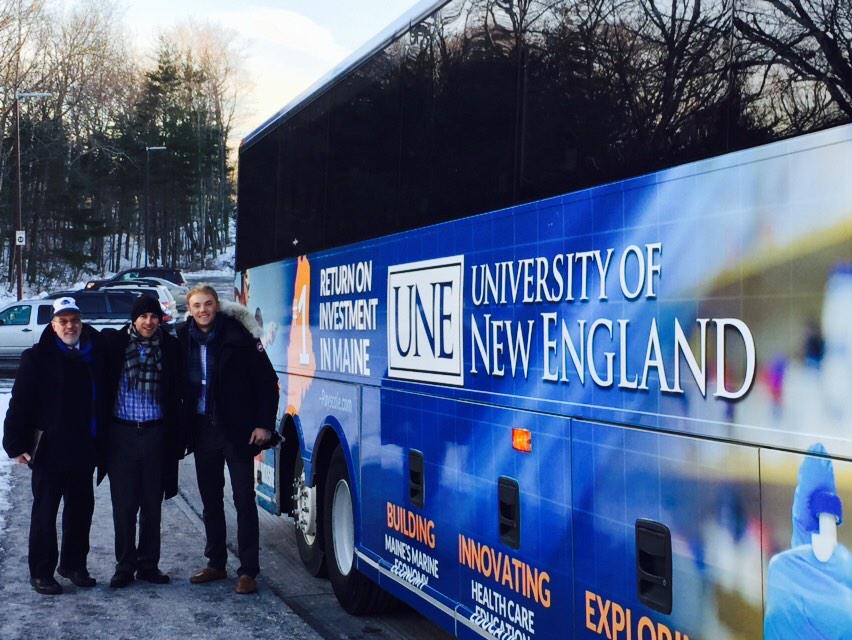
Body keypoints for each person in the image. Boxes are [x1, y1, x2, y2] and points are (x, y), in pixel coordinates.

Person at [2, 297, 107, 595]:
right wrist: (14, 443)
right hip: (50, 450)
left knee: (80, 510)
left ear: (81, 322)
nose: (69, 326)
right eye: (63, 321)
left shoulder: (93, 354)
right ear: (53, 325)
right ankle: (41, 572)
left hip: (84, 448)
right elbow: (20, 404)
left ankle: (73, 565)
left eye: (74, 320)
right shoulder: (37, 358)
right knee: (45, 513)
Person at [179, 284, 278, 594]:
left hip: (236, 429)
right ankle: (216, 563)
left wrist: (264, 424)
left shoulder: (238, 336)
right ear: (190, 309)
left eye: (208, 304)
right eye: (197, 305)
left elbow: (266, 382)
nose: (203, 310)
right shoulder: (184, 339)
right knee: (210, 500)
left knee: (243, 500)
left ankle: (248, 570)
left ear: (217, 306)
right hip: (202, 429)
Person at [102, 295, 184, 588]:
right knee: (124, 505)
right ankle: (124, 565)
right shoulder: (115, 345)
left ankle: (148, 564)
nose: (149, 322)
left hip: (156, 434)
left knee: (152, 505)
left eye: (154, 316)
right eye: (143, 316)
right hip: (121, 435)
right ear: (133, 319)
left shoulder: (171, 348)